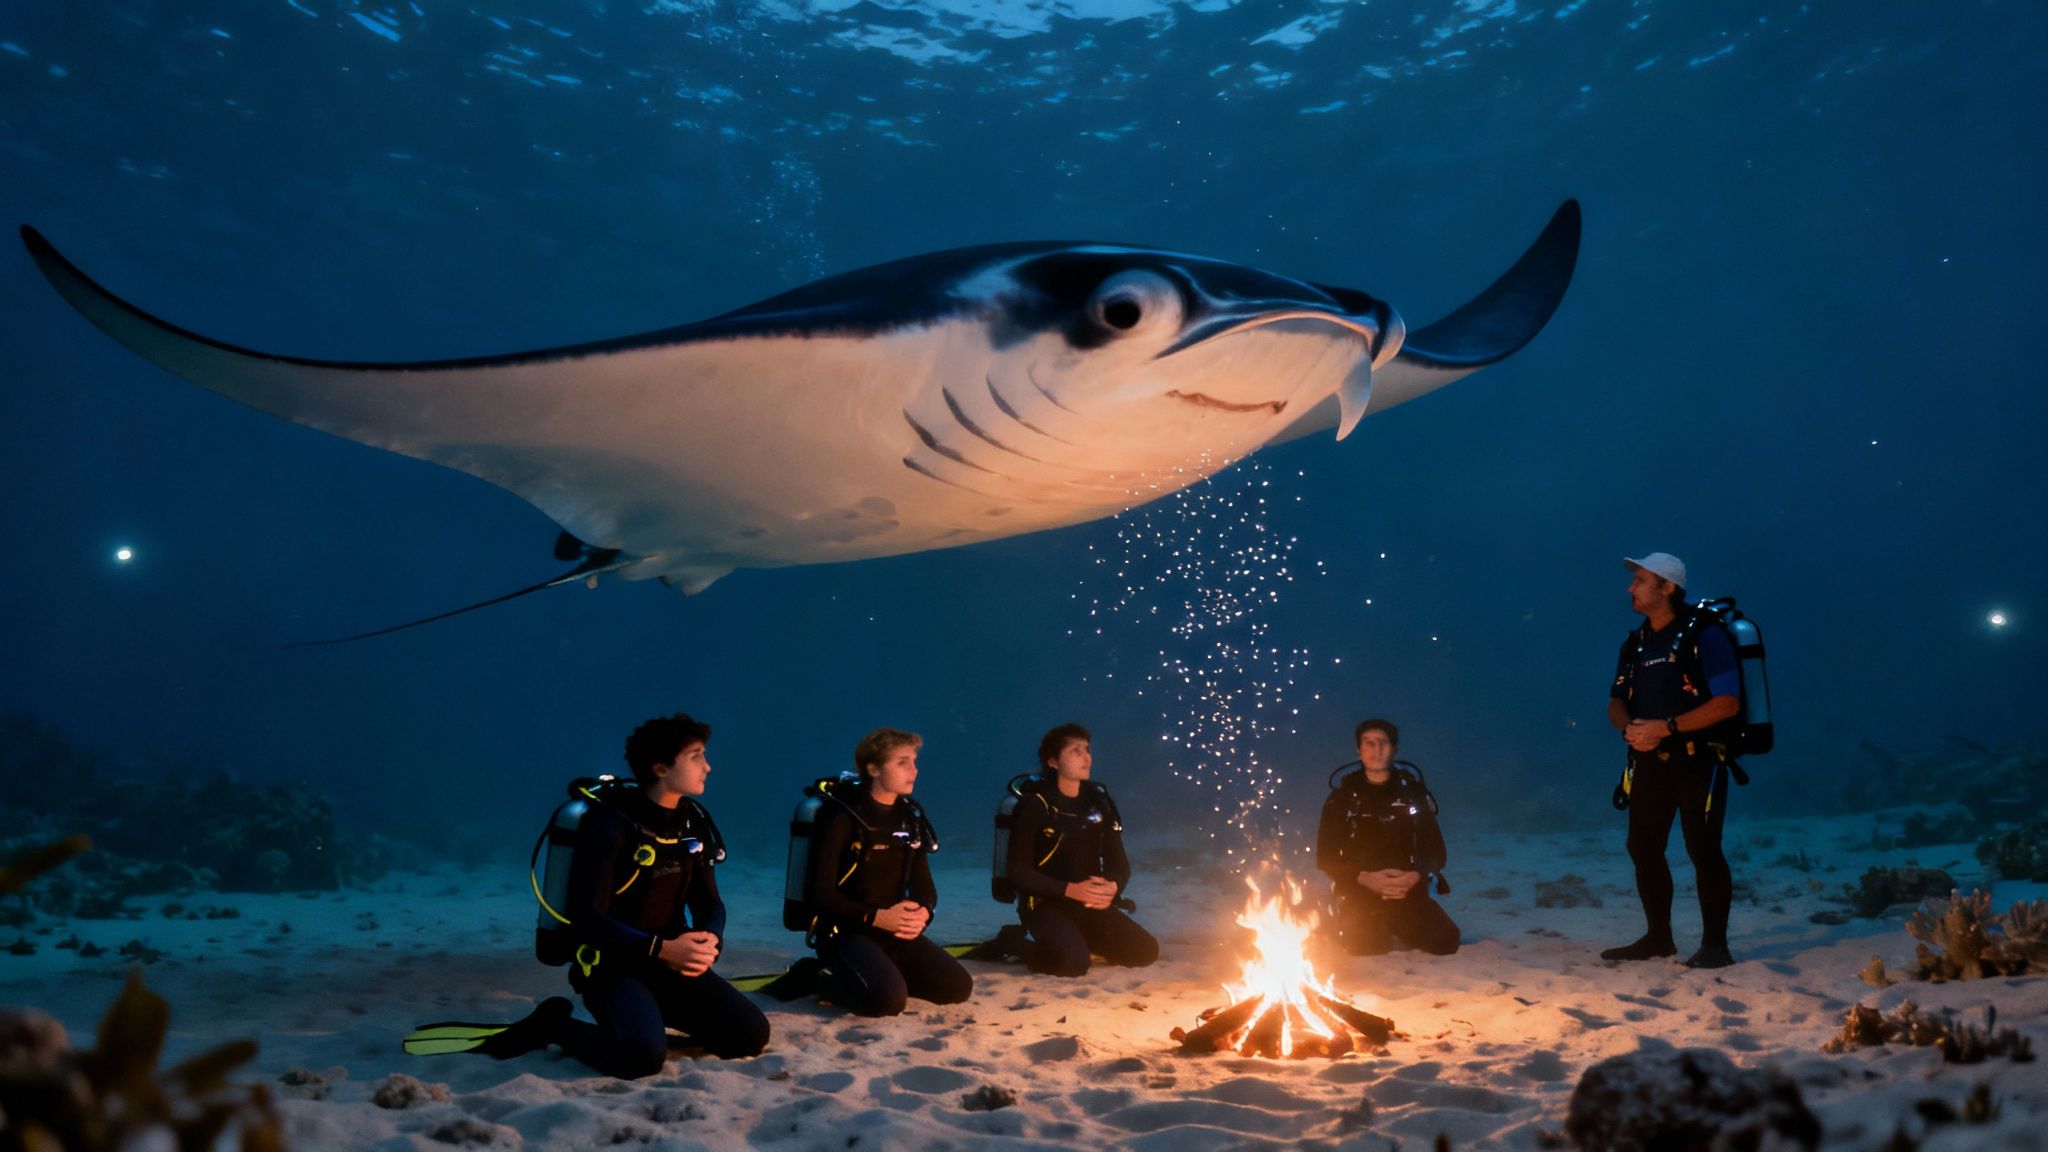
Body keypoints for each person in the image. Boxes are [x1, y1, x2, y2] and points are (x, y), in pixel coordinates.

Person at [410, 713, 769, 1075]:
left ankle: (640, 1023)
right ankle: (554, 1025)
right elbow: (587, 918)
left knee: (750, 1036)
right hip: (613, 968)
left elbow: (710, 903)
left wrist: (709, 942)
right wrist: (662, 948)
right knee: (642, 1060)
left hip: (672, 963)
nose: (707, 766)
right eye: (696, 756)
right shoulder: (611, 828)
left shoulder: (692, 824)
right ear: (661, 768)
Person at [1603, 553, 1743, 969]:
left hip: (1699, 760)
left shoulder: (1706, 635)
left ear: (1667, 587)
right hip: (1648, 761)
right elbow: (1615, 700)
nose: (1631, 587)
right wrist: (1630, 730)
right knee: (1642, 846)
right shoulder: (1635, 643)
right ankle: (1658, 938)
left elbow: (1727, 703)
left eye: (1641, 580)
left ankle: (1715, 946)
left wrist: (1664, 727)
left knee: (1703, 848)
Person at [805, 727, 973, 1017]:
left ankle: (880, 976)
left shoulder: (910, 818)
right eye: (902, 762)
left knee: (957, 988)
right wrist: (876, 917)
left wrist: (924, 913)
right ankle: (813, 977)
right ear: (873, 768)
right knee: (887, 1003)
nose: (913, 770)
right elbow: (819, 893)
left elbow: (924, 887)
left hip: (893, 932)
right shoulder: (841, 817)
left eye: (914, 762)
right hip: (844, 932)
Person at [986, 723, 1159, 976]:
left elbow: (1118, 864)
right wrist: (1070, 890)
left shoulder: (1098, 804)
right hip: (1044, 904)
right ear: (1053, 761)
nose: (1085, 756)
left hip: (1088, 904)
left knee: (1145, 951)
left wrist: (1113, 887)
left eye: (1087, 749)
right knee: (1072, 964)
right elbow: (1019, 871)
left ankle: (1075, 939)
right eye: (1075, 751)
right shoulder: (1035, 806)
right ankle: (1013, 942)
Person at [1315, 719, 1460, 956]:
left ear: (1394, 749)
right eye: (1369, 743)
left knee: (1446, 942)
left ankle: (1396, 922)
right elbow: (1325, 857)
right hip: (1359, 889)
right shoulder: (1342, 799)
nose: (1376, 749)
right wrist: (1365, 878)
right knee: (1366, 946)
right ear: (1358, 750)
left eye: (1383, 743)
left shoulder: (1413, 794)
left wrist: (1416, 875)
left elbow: (1435, 850)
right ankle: (1367, 922)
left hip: (1406, 888)